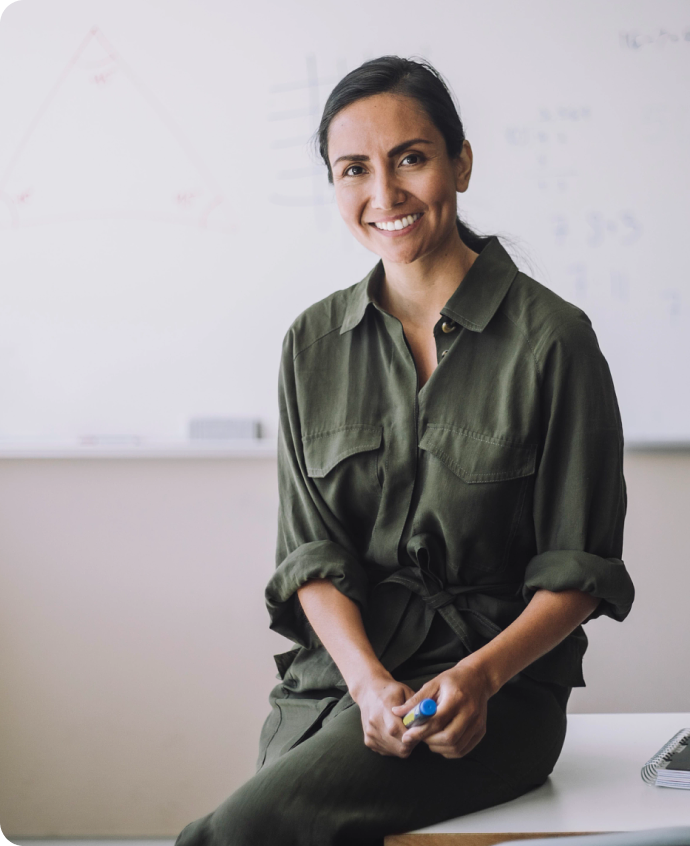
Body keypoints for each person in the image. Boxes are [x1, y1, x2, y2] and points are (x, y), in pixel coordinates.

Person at [175, 55, 634, 846]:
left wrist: (476, 677)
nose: (384, 195)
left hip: (495, 693)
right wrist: (366, 683)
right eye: (354, 169)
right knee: (262, 820)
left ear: (460, 161)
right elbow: (310, 555)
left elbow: (580, 572)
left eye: (410, 159)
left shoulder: (554, 341)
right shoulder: (311, 344)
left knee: (239, 834)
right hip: (339, 680)